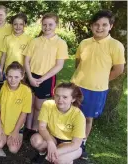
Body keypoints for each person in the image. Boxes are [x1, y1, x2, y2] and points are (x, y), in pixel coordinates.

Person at [70, 10, 125, 159]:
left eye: (104, 25)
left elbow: (119, 69)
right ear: (91, 26)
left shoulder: (116, 45)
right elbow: (77, 63)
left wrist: (101, 79)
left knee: (87, 118)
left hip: (97, 90)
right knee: (71, 113)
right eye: (96, 24)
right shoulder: (84, 43)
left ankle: (81, 143)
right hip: (76, 85)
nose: (99, 28)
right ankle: (67, 139)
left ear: (111, 26)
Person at [23, 13, 68, 135]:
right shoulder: (34, 41)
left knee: (38, 106)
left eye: (50, 24)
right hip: (31, 75)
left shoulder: (60, 43)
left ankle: (35, 129)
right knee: (29, 104)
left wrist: (42, 79)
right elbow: (26, 60)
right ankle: (27, 127)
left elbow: (59, 65)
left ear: (56, 25)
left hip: (47, 78)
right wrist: (30, 77)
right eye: (44, 24)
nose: (47, 27)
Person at [30, 82, 86, 164]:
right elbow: (42, 127)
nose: (60, 100)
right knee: (35, 140)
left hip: (70, 143)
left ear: (73, 99)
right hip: (52, 137)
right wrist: (50, 142)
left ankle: (63, 159)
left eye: (65, 97)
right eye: (57, 95)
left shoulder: (78, 116)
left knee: (58, 159)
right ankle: (42, 153)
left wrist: (55, 152)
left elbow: (76, 144)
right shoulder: (47, 105)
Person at [0, 61, 32, 153]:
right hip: (1, 123)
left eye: (16, 77)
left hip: (16, 126)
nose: (13, 80)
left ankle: (12, 135)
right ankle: (1, 134)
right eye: (10, 76)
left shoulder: (26, 91)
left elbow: (24, 113)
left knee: (13, 149)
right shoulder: (3, 86)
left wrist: (15, 131)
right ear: (6, 76)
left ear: (22, 77)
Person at [0, 13, 32, 80]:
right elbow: (3, 56)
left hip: (21, 72)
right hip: (8, 72)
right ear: (12, 25)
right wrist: (1, 72)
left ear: (25, 25)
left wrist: (26, 73)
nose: (18, 27)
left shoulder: (29, 39)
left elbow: (30, 59)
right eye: (15, 24)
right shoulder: (7, 38)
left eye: (21, 24)